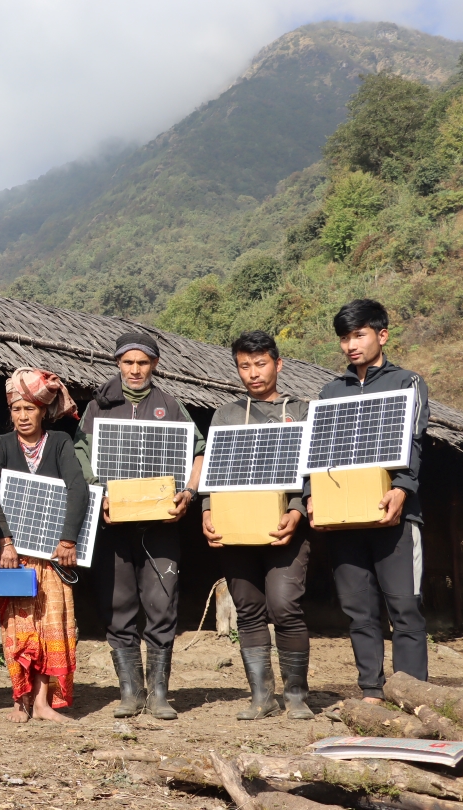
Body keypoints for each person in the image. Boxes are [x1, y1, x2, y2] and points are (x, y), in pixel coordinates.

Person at [304, 299, 430, 703]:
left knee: (405, 610)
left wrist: (401, 488)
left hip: (396, 515)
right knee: (359, 613)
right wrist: (312, 499)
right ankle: (372, 693)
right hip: (344, 520)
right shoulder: (330, 391)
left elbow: (412, 442)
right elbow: (318, 453)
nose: (350, 345)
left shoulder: (407, 383)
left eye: (358, 334)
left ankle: (412, 695)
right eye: (344, 338)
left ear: (382, 334)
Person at [74, 331, 205, 721]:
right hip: (113, 526)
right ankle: (130, 692)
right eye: (128, 362)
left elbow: (198, 450)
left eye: (142, 363)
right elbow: (82, 455)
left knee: (162, 604)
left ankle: (160, 694)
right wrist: (100, 495)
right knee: (118, 605)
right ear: (118, 363)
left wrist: (190, 493)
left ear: (154, 365)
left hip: (161, 525)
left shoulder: (170, 405)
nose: (135, 370)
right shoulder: (99, 407)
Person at [201, 331, 312, 720]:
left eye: (260, 363)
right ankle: (261, 697)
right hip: (236, 530)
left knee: (284, 605)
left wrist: (296, 513)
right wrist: (207, 511)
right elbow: (213, 474)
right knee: (248, 609)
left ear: (278, 365)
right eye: (244, 366)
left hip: (285, 531)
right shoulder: (227, 415)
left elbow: (311, 474)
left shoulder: (299, 411)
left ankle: (296, 694)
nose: (253, 373)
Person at [0, 367, 84, 723]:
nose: (23, 416)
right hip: (14, 554)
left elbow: (77, 488)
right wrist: (6, 542)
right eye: (16, 409)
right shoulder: (0, 445)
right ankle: (20, 699)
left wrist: (67, 539)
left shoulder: (59, 442)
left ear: (43, 411)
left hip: (52, 556)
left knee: (50, 624)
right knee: (18, 626)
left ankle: (42, 701)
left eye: (29, 409)